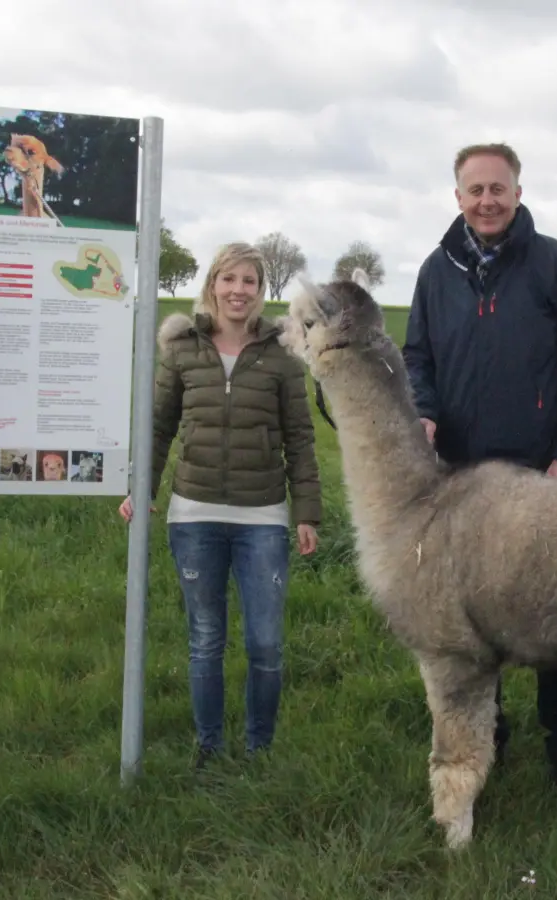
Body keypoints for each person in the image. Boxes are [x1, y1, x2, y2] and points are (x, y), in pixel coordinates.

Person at [401, 142, 557, 787]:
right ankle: (486, 744)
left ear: (518, 193)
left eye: (498, 189)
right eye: (475, 190)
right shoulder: (436, 271)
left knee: (553, 620)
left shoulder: (555, 265)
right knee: (467, 622)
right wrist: (424, 413)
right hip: (458, 482)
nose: (487, 201)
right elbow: (417, 358)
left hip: (540, 481)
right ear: (457, 197)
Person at [121, 241, 322, 768]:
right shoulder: (183, 349)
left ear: (260, 289)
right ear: (212, 284)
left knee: (266, 643)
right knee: (206, 639)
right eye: (228, 279)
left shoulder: (281, 355)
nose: (238, 291)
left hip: (263, 519)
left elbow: (300, 438)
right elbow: (158, 427)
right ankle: (208, 748)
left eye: (249, 281)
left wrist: (306, 513)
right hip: (194, 516)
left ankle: (260, 750)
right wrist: (141, 488)